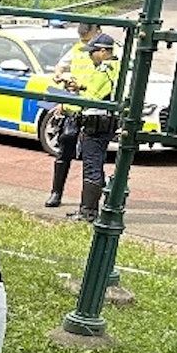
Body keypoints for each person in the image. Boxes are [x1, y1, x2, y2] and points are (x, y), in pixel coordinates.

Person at [43, 23, 99, 208]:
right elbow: (60, 68)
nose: (84, 43)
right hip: (73, 107)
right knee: (64, 148)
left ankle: (88, 204)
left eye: (87, 38)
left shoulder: (106, 52)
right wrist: (60, 77)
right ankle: (56, 193)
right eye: (82, 38)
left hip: (93, 109)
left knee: (91, 158)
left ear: (97, 32)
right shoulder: (76, 48)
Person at [68, 33, 121, 221]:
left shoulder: (104, 69)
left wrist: (65, 104)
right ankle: (91, 209)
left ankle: (88, 212)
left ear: (104, 51)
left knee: (92, 167)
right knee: (96, 166)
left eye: (93, 52)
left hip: (96, 125)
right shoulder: (116, 66)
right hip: (107, 123)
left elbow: (92, 98)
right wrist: (80, 86)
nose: (90, 56)